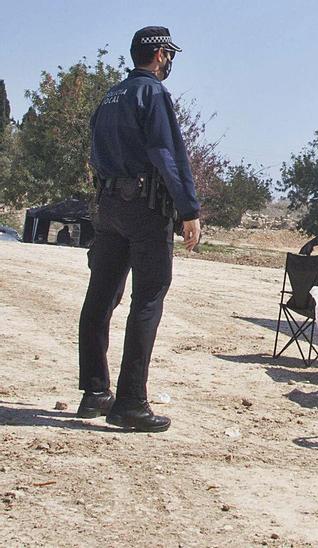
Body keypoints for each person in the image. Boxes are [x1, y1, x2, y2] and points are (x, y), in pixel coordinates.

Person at [76, 26, 202, 433]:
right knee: (147, 297)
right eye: (168, 55)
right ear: (160, 54)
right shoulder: (154, 94)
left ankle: (94, 392)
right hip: (145, 209)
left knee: (100, 296)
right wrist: (189, 209)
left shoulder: (110, 95)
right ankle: (131, 401)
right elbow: (168, 154)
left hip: (109, 205)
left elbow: (95, 150)